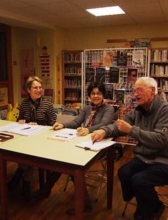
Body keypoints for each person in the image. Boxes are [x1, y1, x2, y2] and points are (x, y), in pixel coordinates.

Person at [91, 77, 168, 220]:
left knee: (139, 181)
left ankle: (146, 211)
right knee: (123, 172)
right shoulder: (138, 110)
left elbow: (159, 140)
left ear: (152, 91)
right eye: (134, 91)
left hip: (165, 162)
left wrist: (131, 130)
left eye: (139, 90)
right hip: (144, 158)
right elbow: (120, 125)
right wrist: (104, 131)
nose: (135, 94)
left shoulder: (166, 109)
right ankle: (152, 204)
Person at [35, 81, 115, 215]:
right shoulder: (86, 108)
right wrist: (63, 125)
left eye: (99, 93)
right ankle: (49, 190)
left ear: (103, 95)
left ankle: (82, 203)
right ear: (89, 95)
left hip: (99, 145)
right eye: (93, 93)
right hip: (82, 142)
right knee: (63, 160)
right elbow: (76, 122)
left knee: (72, 165)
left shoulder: (109, 109)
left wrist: (87, 130)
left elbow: (103, 124)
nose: (96, 96)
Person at [8, 76, 57, 200]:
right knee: (24, 153)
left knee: (27, 157)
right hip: (27, 138)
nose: (39, 90)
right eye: (35, 87)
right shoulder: (24, 103)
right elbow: (20, 119)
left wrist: (39, 125)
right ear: (29, 90)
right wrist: (21, 122)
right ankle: (25, 184)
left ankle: (21, 178)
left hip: (43, 141)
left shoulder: (47, 105)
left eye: (40, 87)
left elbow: (53, 125)